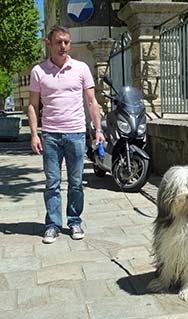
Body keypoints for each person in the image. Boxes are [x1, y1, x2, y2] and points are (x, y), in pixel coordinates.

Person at [28, 25, 105, 244]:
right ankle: (52, 225)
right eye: (59, 42)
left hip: (76, 133)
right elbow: (33, 106)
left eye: (66, 42)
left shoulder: (81, 68)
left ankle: (74, 221)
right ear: (49, 43)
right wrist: (34, 134)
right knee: (52, 183)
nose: (63, 46)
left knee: (76, 182)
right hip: (51, 135)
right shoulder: (38, 71)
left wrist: (98, 131)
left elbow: (91, 101)